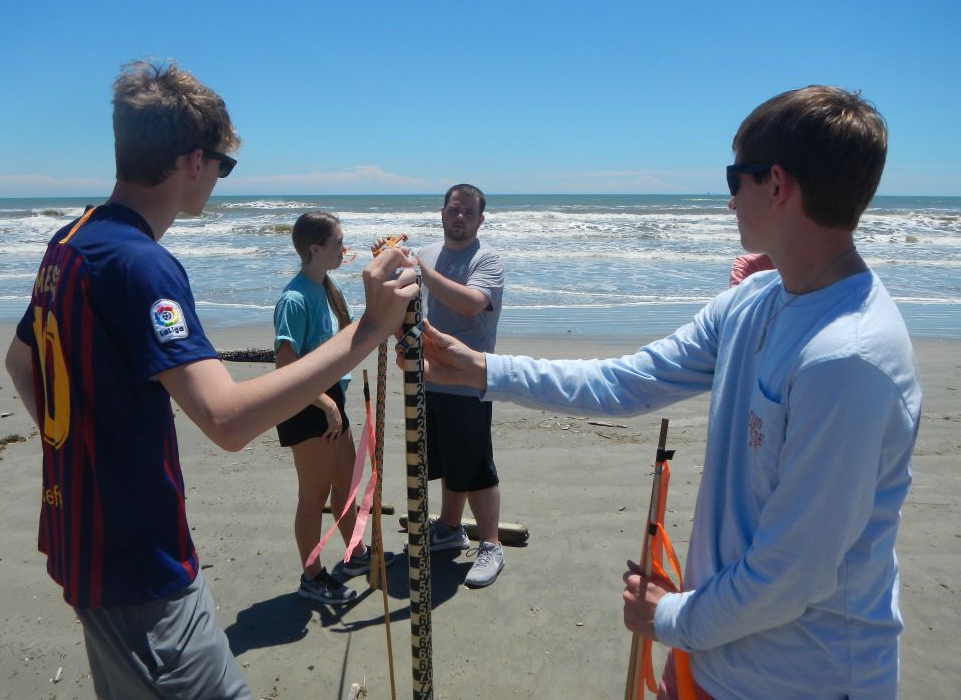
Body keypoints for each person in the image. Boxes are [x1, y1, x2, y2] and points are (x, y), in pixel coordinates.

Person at [417, 87, 921, 698]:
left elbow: (795, 574)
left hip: (800, 677)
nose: (728, 198)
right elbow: (626, 381)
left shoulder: (849, 358)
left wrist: (669, 616)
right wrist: (482, 370)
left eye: (735, 177)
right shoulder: (752, 303)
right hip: (710, 646)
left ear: (777, 185)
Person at [2, 60, 416, 700]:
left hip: (82, 539)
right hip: (140, 563)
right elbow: (226, 419)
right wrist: (366, 332)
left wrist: (84, 456)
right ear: (194, 161)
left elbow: (20, 361)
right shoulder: (143, 265)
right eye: (224, 165)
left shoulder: (70, 241)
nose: (220, 179)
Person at [274, 211, 395, 603]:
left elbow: (351, 334)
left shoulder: (328, 286)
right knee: (314, 496)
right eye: (338, 242)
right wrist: (326, 404)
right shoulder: (294, 299)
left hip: (331, 401)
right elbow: (286, 367)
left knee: (346, 483)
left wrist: (383, 273)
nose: (345, 248)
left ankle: (356, 555)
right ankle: (312, 576)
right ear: (315, 249)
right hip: (306, 406)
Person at [412, 183, 507, 588]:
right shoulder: (428, 253)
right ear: (442, 212)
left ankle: (491, 545)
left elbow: (470, 302)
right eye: (454, 209)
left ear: (481, 219)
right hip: (429, 376)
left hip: (469, 381)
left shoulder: (487, 259)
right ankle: (450, 528)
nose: (460, 217)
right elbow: (412, 298)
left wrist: (422, 272)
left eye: (469, 212)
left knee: (476, 467)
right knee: (445, 460)